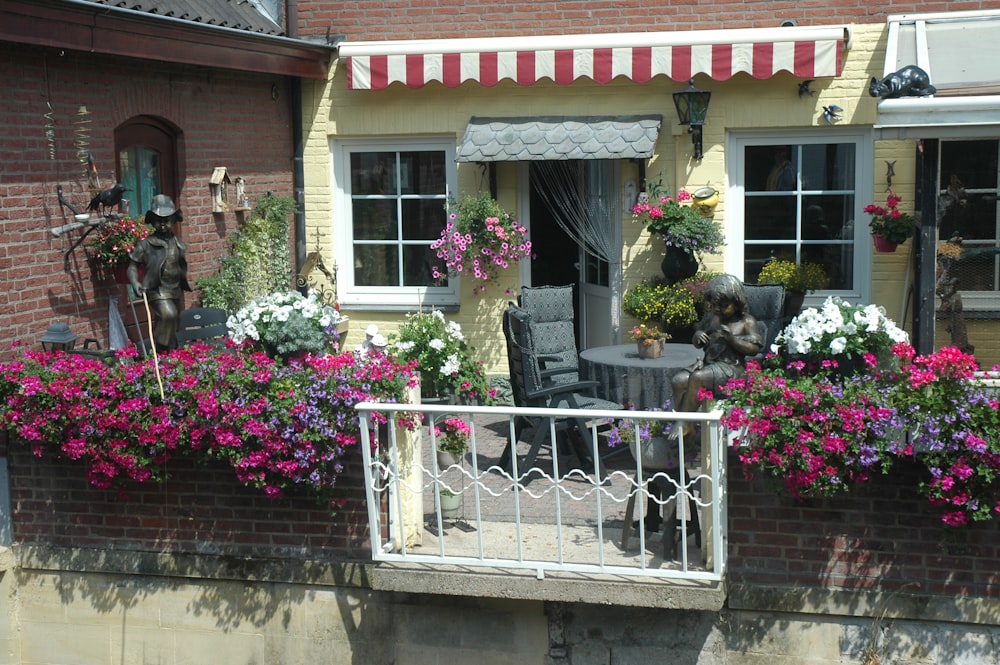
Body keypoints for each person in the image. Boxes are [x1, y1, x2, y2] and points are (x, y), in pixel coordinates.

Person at [670, 274, 762, 437]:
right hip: (709, 365)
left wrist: (732, 340)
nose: (717, 309)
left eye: (723, 305)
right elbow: (698, 340)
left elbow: (754, 348)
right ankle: (686, 430)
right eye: (713, 305)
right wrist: (697, 336)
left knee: (697, 378)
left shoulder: (746, 322)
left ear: (737, 302)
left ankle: (684, 423)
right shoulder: (711, 318)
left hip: (732, 370)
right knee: (678, 381)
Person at [127, 195, 190, 352]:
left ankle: (168, 354)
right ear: (152, 220)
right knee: (168, 315)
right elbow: (132, 265)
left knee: (172, 323)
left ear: (174, 220)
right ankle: (162, 352)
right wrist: (135, 283)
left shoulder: (178, 242)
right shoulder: (145, 244)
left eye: (167, 219)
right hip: (156, 289)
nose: (163, 223)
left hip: (174, 290)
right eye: (158, 219)